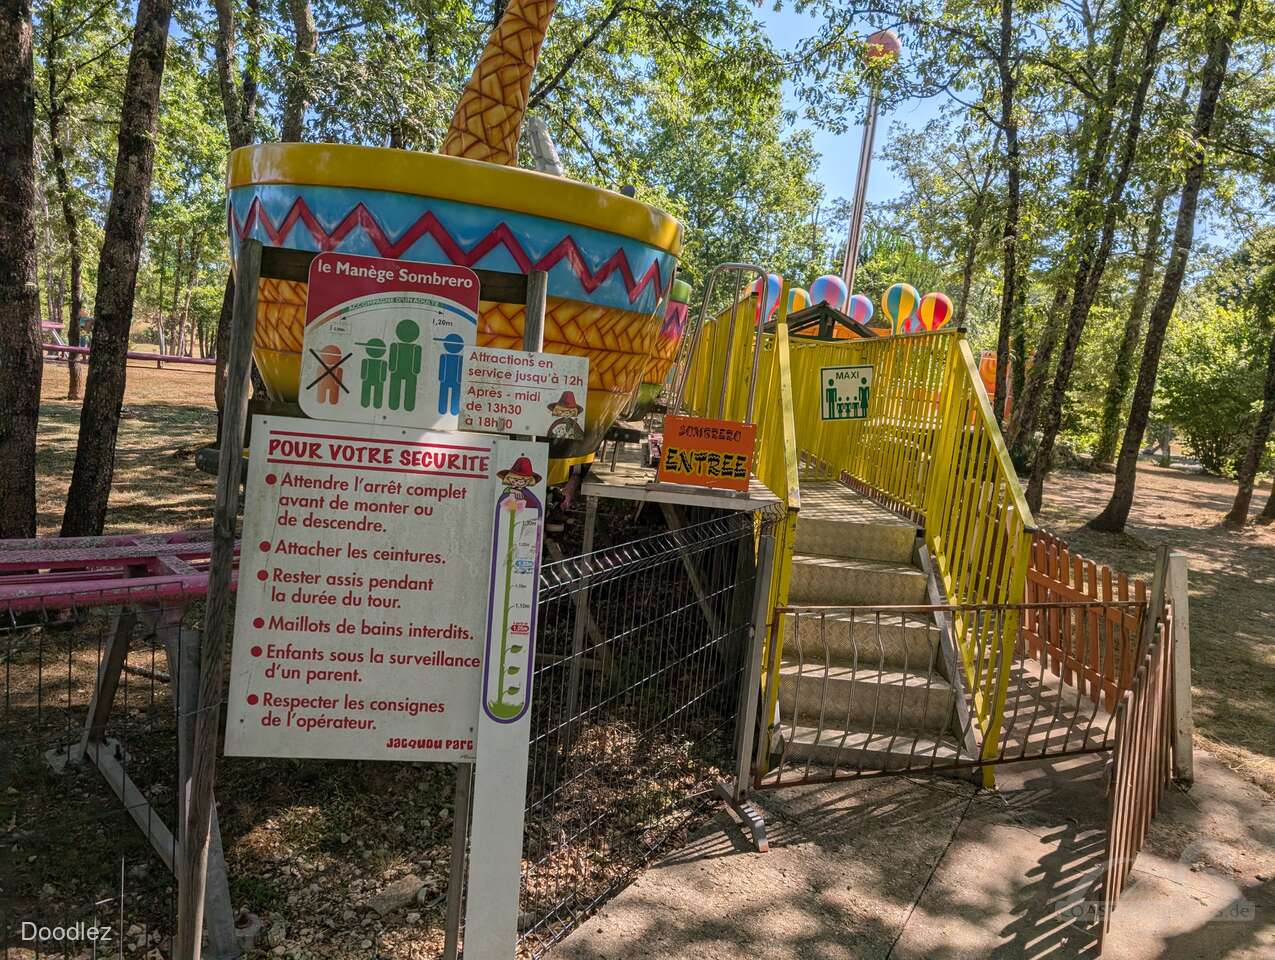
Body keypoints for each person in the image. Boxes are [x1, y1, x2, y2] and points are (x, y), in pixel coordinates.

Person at [388, 318, 423, 412]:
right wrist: (392, 369)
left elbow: (417, 363)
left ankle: (407, 406)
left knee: (409, 391)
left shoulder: (416, 348)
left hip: (408, 373)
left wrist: (415, 370)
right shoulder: (395, 346)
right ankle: (394, 405)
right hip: (400, 372)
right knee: (396, 389)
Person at [435, 332, 465, 415]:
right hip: (445, 380)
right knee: (443, 394)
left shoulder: (460, 358)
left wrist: (459, 380)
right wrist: (441, 378)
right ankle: (442, 410)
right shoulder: (444, 356)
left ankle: (454, 411)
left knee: (454, 395)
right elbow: (441, 367)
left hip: (455, 381)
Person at [359, 338, 388, 409]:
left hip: (375, 380)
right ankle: (366, 404)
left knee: (377, 394)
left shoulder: (381, 362)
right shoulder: (366, 361)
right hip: (372, 379)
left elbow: (363, 373)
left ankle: (376, 404)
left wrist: (382, 379)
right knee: (367, 393)